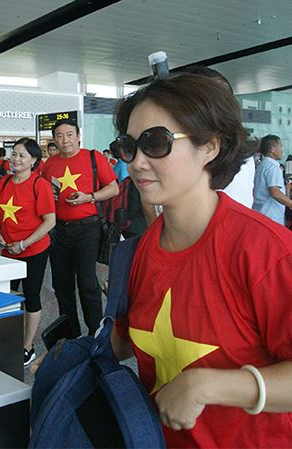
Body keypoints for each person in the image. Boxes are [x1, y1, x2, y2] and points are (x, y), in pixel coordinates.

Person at [108, 73, 292, 447]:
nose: (137, 162)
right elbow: (126, 340)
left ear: (209, 146)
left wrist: (208, 385)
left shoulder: (265, 251)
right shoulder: (139, 252)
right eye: (128, 146)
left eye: (155, 143)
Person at [41, 119, 118, 336]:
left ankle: (95, 333)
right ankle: (70, 334)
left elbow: (113, 188)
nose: (65, 140)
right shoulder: (50, 163)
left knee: (87, 282)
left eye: (69, 134)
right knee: (62, 285)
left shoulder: (93, 157)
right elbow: (45, 193)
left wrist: (89, 197)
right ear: (54, 139)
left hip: (88, 228)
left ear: (78, 136)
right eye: (59, 135)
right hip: (58, 231)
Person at [0, 138, 55, 366]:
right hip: (8, 252)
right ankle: (8, 339)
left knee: (31, 297)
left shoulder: (40, 185)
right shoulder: (5, 182)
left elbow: (50, 221)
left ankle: (27, 346)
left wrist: (24, 244)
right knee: (7, 297)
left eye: (21, 156)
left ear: (33, 160)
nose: (15, 159)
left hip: (34, 251)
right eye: (14, 154)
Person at [253, 134, 292, 224]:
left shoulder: (263, 164)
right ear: (272, 149)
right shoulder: (273, 166)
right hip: (271, 216)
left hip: (261, 213)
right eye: (280, 146)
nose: (282, 150)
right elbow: (275, 192)